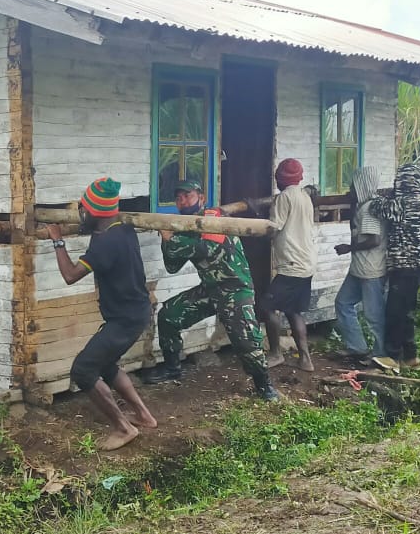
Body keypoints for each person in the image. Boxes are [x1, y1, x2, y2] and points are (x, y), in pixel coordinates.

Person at [46, 177, 158, 450]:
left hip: (125, 319)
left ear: (95, 211)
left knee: (83, 371)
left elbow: (71, 275)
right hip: (133, 313)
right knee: (106, 365)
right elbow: (97, 235)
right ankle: (144, 416)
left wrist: (57, 241)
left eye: (83, 208)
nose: (79, 213)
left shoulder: (105, 244)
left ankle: (124, 427)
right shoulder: (122, 229)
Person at [141, 180, 280, 401]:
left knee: (246, 341)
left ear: (202, 198)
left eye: (188, 196)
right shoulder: (184, 228)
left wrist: (172, 240)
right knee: (169, 315)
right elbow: (172, 265)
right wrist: (167, 240)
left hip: (235, 289)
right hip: (210, 288)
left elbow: (207, 248)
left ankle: (265, 386)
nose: (182, 201)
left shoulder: (213, 217)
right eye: (178, 198)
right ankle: (172, 368)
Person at [371, 163, 420, 370]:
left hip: (404, 267)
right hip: (415, 267)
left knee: (395, 312)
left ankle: (392, 356)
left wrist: (379, 195)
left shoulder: (404, 203)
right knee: (405, 312)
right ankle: (411, 357)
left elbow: (376, 207)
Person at [260, 158, 317, 371]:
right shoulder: (304, 196)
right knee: (294, 311)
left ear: (279, 178)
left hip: (291, 264)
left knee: (267, 307)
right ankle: (305, 359)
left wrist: (259, 224)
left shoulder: (284, 198)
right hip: (307, 263)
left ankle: (276, 354)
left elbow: (274, 228)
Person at [333, 166, 387, 361]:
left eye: (354, 186)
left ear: (363, 186)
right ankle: (357, 347)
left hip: (371, 270)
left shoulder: (370, 209)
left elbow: (374, 240)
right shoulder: (362, 206)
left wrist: (349, 248)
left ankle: (380, 354)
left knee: (374, 315)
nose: (350, 190)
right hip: (360, 269)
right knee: (343, 303)